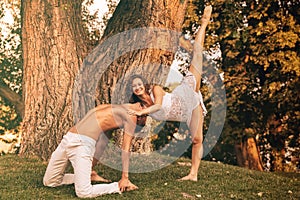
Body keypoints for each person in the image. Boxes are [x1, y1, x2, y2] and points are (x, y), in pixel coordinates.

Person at [126, 5, 212, 182]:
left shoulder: (155, 89)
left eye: (139, 84)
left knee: (197, 55)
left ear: (144, 84)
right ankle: (193, 175)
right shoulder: (140, 106)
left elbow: (157, 105)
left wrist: (143, 112)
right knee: (196, 140)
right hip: (185, 113)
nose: (137, 87)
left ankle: (203, 24)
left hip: (186, 93)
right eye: (134, 86)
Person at [43, 103, 146, 198]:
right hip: (68, 139)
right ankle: (88, 176)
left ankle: (117, 186)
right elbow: (113, 147)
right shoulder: (123, 110)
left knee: (83, 192)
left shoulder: (127, 114)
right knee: (50, 181)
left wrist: (124, 178)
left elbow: (119, 148)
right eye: (144, 119)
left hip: (82, 144)